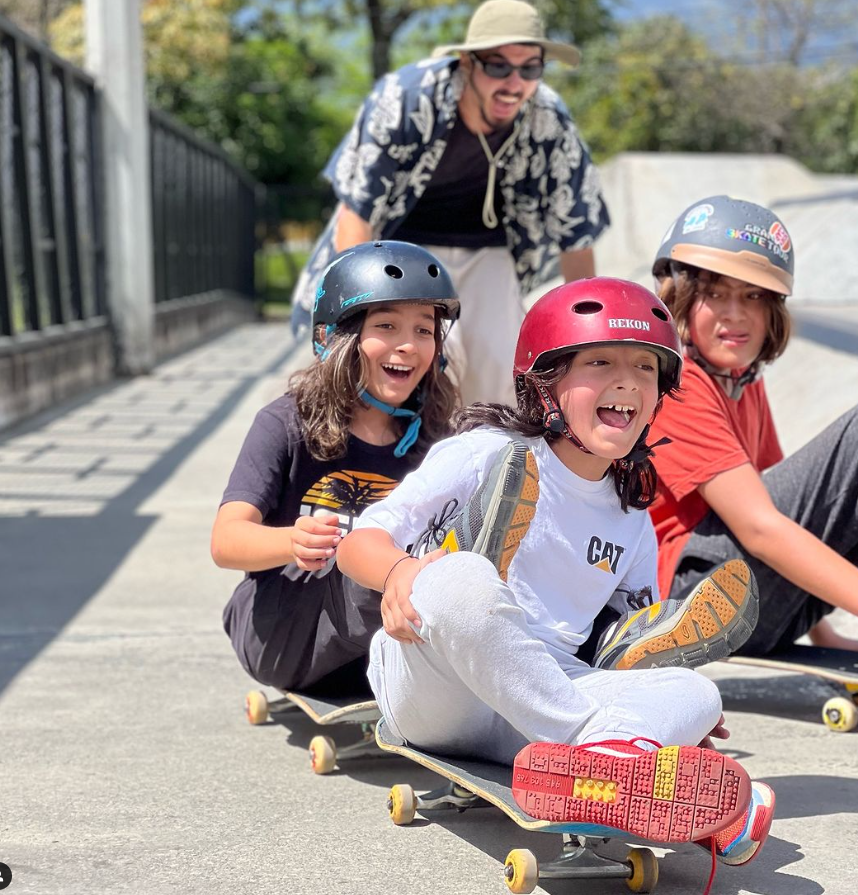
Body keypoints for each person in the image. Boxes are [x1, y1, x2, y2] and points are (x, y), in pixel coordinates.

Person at [337, 277, 772, 877]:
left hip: (535, 702)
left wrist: (658, 697)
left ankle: (610, 765)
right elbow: (356, 541)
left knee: (696, 693)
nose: (626, 382)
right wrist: (398, 572)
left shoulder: (631, 520)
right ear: (545, 381)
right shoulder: (486, 451)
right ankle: (623, 760)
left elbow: (618, 649)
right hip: (435, 678)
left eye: (645, 368)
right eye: (599, 362)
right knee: (459, 578)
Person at [291, 0, 610, 406]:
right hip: (398, 247)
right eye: (498, 66)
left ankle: (489, 462)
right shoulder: (408, 100)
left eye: (530, 68)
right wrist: (355, 312)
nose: (515, 82)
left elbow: (576, 232)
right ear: (466, 62)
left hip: (491, 249)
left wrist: (588, 336)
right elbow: (356, 213)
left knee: (504, 369)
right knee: (437, 361)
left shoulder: (548, 119)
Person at [211, 241, 460, 697]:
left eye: (425, 331)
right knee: (369, 561)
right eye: (386, 325)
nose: (408, 345)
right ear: (334, 338)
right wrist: (291, 540)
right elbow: (226, 542)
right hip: (284, 630)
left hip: (382, 642)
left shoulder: (438, 437)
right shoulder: (286, 423)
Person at [648, 195, 858, 655]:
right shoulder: (676, 384)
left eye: (754, 296)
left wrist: (824, 637)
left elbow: (798, 513)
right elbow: (760, 528)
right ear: (678, 299)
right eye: (715, 293)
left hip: (746, 603)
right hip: (687, 604)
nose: (736, 313)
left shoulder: (743, 382)